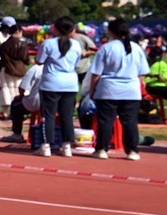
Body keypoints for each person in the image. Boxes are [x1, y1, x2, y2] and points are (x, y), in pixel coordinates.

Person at [88, 18, 149, 160]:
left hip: (108, 89)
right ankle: (132, 151)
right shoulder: (137, 48)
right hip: (131, 90)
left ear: (110, 31)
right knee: (130, 122)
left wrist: (92, 90)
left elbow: (96, 73)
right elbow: (142, 73)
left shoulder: (106, 48)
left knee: (106, 121)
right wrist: (139, 87)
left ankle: (102, 149)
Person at [36, 16, 83, 157]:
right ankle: (67, 146)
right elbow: (76, 62)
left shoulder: (48, 43)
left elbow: (39, 61)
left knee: (48, 116)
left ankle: (46, 146)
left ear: (56, 28)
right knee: (67, 116)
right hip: (70, 83)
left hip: (51, 82)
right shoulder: (76, 45)